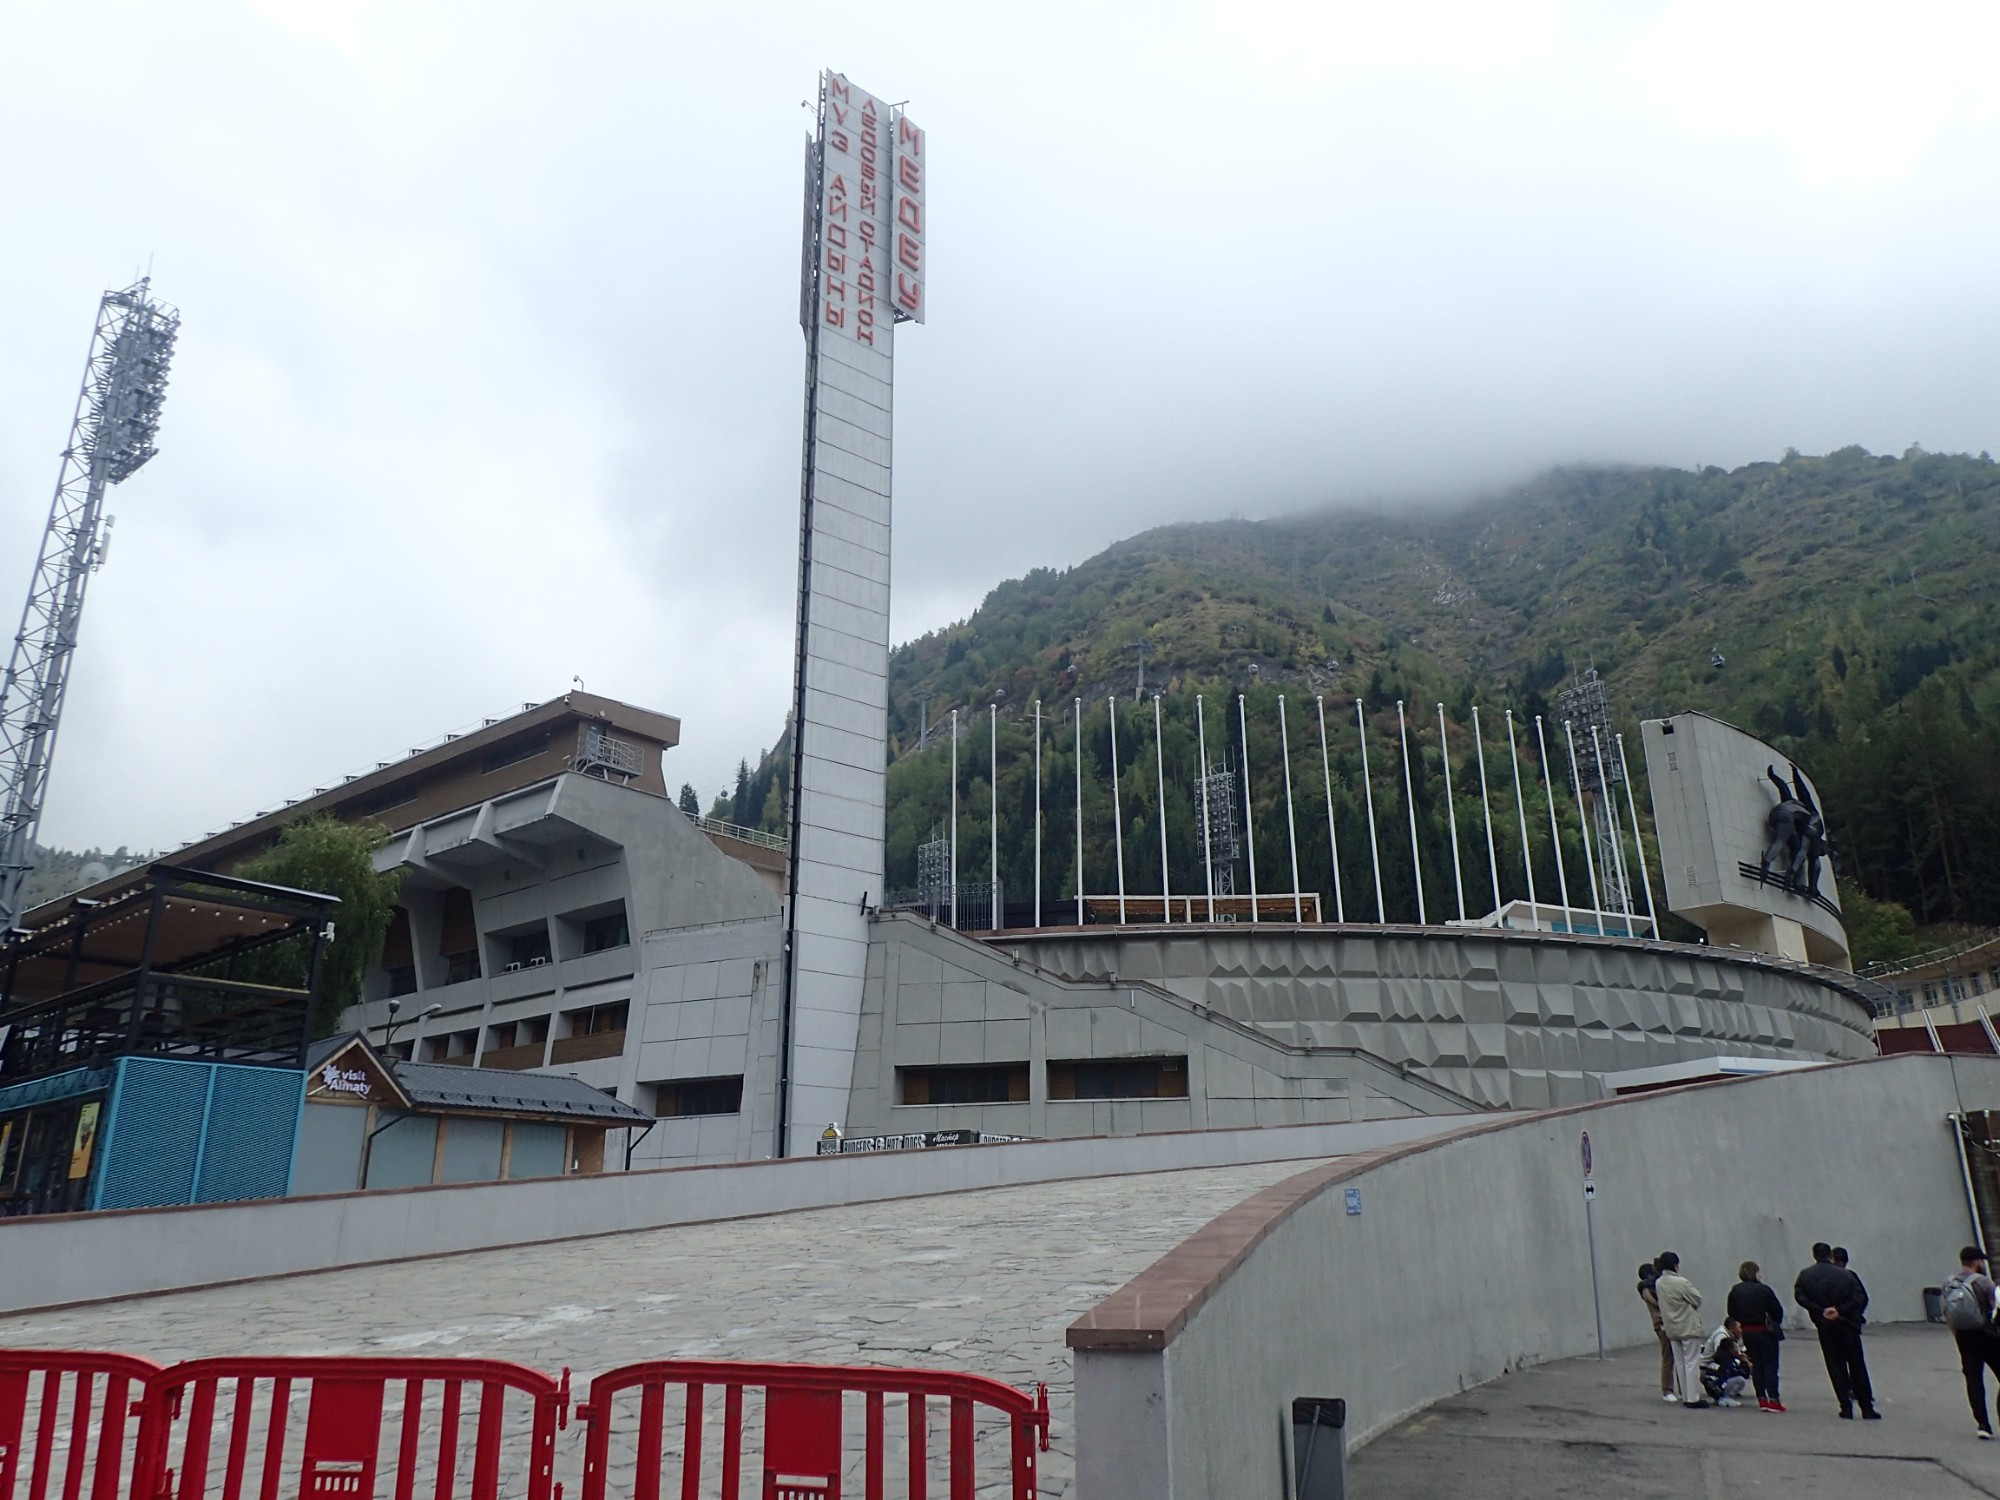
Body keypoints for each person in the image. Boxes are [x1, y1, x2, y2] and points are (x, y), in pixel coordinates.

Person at [1795, 1241, 1878, 1419]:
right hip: (1847, 1324)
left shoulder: (1806, 1275)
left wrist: (1821, 1310)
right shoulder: (1847, 1276)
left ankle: (1845, 1405)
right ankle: (1866, 1406)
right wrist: (1840, 1310)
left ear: (1814, 1255)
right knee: (1857, 1364)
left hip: (1825, 1325)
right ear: (1830, 1256)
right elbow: (1860, 1298)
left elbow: (1800, 1296)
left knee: (1835, 1365)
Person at [1943, 1246, 2000, 1438]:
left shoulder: (1950, 1283)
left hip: (1964, 1337)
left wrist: (1956, 1334)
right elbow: (1996, 1309)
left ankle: (1983, 1425)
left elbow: (1946, 1312)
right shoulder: (1984, 1282)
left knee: (1973, 1379)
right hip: (1988, 1336)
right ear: (1976, 1262)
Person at [1728, 1260, 1788, 1412]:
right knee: (1770, 1364)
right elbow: (1777, 1311)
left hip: (1747, 1331)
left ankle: (1762, 1398)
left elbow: (1732, 1313)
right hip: (1764, 1330)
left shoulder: (1735, 1291)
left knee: (1757, 1365)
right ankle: (1773, 1399)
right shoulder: (1764, 1290)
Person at [1655, 1252, 1709, 1408]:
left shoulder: (1659, 1283)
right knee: (1692, 1362)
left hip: (1671, 1327)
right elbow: (1697, 1299)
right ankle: (1693, 1398)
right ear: (1675, 1265)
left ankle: (1685, 1394)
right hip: (1688, 1326)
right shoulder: (1681, 1282)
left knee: (1679, 1362)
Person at [1639, 1261, 1675, 1402]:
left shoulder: (1653, 1287)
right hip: (1661, 1323)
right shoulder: (1646, 1289)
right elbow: (1657, 1303)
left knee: (1676, 1357)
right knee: (1668, 1357)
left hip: (1667, 1322)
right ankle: (1667, 1390)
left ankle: (1679, 1389)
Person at [1701, 1328, 1752, 1407]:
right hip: (1717, 1387)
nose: (1737, 1349)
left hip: (1709, 1386)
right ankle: (1724, 1397)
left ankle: (1719, 1397)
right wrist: (1745, 1362)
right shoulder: (1729, 1360)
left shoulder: (1717, 1357)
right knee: (1740, 1380)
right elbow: (1744, 1374)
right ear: (1730, 1349)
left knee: (1724, 1377)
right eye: (1735, 1347)